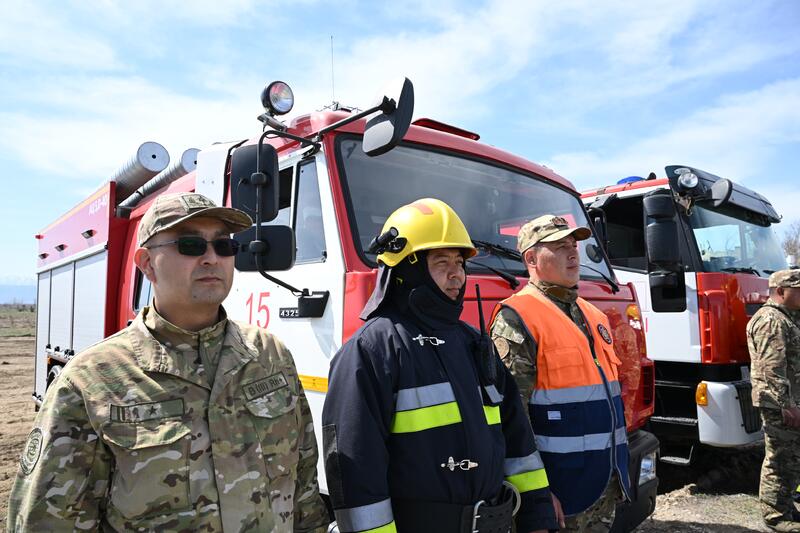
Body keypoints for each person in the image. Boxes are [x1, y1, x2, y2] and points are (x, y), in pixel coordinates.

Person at [7, 192, 329, 532]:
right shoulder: (91, 382)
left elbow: (304, 489)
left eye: (224, 246)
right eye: (190, 245)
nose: (211, 258)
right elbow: (48, 521)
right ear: (147, 263)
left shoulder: (270, 356)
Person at [322, 198, 557, 533]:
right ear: (408, 269)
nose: (456, 274)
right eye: (441, 261)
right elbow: (356, 472)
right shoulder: (371, 351)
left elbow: (518, 441)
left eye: (459, 262)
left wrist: (537, 519)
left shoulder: (474, 343)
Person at [490, 214, 630, 532]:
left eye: (573, 245)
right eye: (559, 246)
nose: (572, 253)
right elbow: (511, 418)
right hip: (560, 492)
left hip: (605, 481)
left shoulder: (593, 315)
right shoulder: (516, 318)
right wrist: (536, 492)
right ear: (531, 259)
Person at [747, 268, 800, 532]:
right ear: (781, 291)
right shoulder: (771, 320)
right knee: (780, 459)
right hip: (779, 403)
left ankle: (786, 507)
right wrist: (786, 405)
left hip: (789, 400)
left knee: (792, 457)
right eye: (798, 290)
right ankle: (776, 516)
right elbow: (772, 368)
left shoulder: (786, 317)